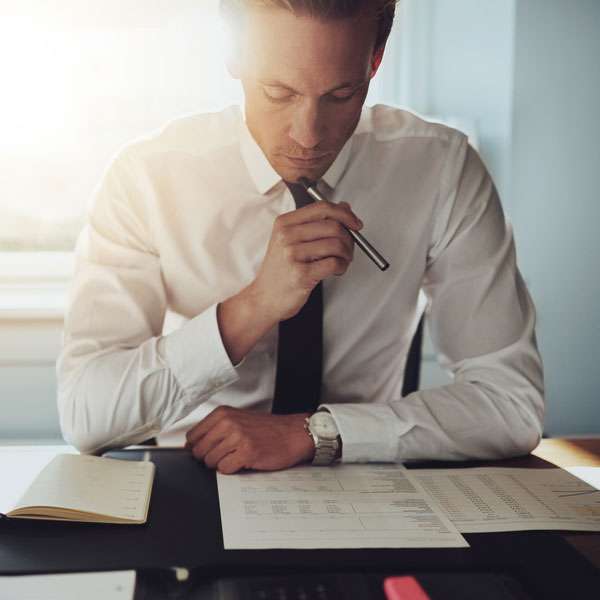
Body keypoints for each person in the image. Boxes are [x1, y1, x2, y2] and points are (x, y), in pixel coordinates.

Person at [57, 0, 544, 473]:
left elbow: (511, 404)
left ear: (375, 63)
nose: (309, 136)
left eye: (341, 94)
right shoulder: (146, 177)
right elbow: (86, 414)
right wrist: (253, 307)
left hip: (363, 479)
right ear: (234, 56)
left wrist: (316, 433)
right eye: (278, 93)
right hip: (194, 477)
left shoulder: (441, 168)